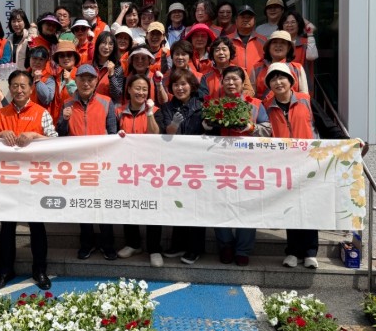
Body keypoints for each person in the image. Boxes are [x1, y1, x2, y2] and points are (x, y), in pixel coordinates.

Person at [0, 70, 58, 291]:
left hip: (34, 178)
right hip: (7, 178)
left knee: (37, 226)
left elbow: (56, 143)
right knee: (7, 227)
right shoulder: (0, 114)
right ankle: (4, 271)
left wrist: (36, 137)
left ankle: (40, 270)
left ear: (30, 88)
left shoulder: (41, 113)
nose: (19, 90)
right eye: (15, 86)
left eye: (23, 86)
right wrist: (0, 136)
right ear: (9, 88)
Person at [208, 65, 271, 267]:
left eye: (235, 79)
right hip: (221, 163)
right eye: (227, 79)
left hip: (248, 165)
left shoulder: (256, 104)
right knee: (221, 205)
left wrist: (251, 127)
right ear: (222, 82)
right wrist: (208, 124)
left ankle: (243, 249)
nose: (231, 83)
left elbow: (268, 129)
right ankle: (225, 245)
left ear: (243, 82)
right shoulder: (214, 104)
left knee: (247, 206)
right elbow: (204, 131)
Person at [57, 64, 118, 261]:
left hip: (101, 165)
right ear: (76, 81)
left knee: (103, 206)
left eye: (90, 79)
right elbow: (60, 134)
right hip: (78, 165)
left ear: (96, 81)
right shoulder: (67, 104)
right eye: (82, 79)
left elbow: (113, 133)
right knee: (83, 205)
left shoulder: (106, 102)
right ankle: (87, 243)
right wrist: (64, 120)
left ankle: (108, 244)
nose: (86, 83)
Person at [261, 63, 319, 269]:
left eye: (282, 78)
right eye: (273, 79)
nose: (278, 82)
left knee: (309, 207)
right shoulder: (266, 106)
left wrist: (348, 142)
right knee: (291, 207)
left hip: (309, 161)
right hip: (284, 165)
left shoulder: (306, 100)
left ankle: (310, 252)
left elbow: (326, 124)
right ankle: (293, 251)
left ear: (291, 81)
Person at [154, 69, 208, 265]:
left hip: (197, 164)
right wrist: (174, 126)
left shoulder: (202, 107)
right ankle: (178, 244)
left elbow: (212, 132)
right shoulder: (166, 108)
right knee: (178, 203)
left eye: (183, 84)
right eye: (176, 85)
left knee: (195, 206)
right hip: (174, 164)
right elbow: (163, 133)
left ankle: (195, 248)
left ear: (192, 86)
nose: (180, 88)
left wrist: (209, 127)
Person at [115, 74, 164, 267]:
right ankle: (133, 244)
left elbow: (155, 134)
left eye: (144, 89)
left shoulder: (156, 110)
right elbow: (111, 134)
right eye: (137, 88)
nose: (141, 92)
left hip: (150, 168)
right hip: (126, 168)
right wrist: (117, 135)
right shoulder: (119, 111)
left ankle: (154, 249)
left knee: (152, 207)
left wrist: (149, 112)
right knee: (128, 204)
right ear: (128, 89)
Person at [249, 30, 308, 99]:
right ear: (269, 47)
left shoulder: (297, 68)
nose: (278, 45)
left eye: (283, 43)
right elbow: (251, 94)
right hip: (262, 105)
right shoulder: (257, 68)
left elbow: (304, 95)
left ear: (289, 48)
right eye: (274, 42)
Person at [279, 10, 318, 88]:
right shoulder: (277, 43)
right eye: (286, 22)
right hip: (280, 86)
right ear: (282, 26)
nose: (289, 25)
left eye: (293, 22)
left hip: (302, 87)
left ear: (299, 24)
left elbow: (312, 56)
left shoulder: (307, 41)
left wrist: (310, 33)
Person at [225, 5, 266, 72]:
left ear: (254, 21)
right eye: (243, 17)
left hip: (257, 78)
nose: (246, 20)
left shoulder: (264, 41)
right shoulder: (226, 40)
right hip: (233, 77)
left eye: (249, 17)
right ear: (236, 20)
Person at [50, 40, 80, 122]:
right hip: (57, 121)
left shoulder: (80, 75)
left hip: (73, 120)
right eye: (62, 56)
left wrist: (69, 81)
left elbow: (82, 97)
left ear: (75, 57)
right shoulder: (56, 77)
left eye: (69, 55)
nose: (66, 58)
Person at [92, 31, 124, 103]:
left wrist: (111, 75)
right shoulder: (90, 65)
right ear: (98, 44)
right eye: (103, 43)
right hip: (90, 106)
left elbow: (117, 95)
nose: (106, 47)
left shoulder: (117, 68)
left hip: (107, 106)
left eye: (110, 44)